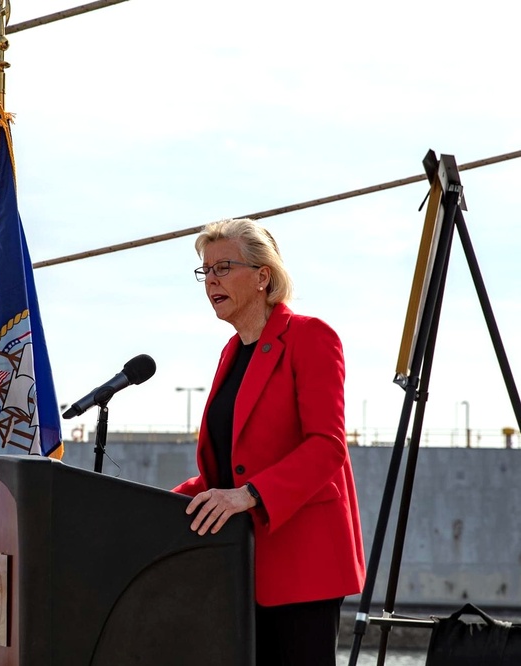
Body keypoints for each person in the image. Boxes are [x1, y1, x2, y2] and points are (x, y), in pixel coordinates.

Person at [172, 218, 365, 665]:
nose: (212, 280)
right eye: (206, 270)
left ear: (264, 276)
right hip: (239, 567)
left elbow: (327, 446)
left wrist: (249, 496)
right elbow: (225, 470)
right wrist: (150, 504)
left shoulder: (311, 337)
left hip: (303, 566)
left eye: (224, 267)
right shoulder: (231, 352)